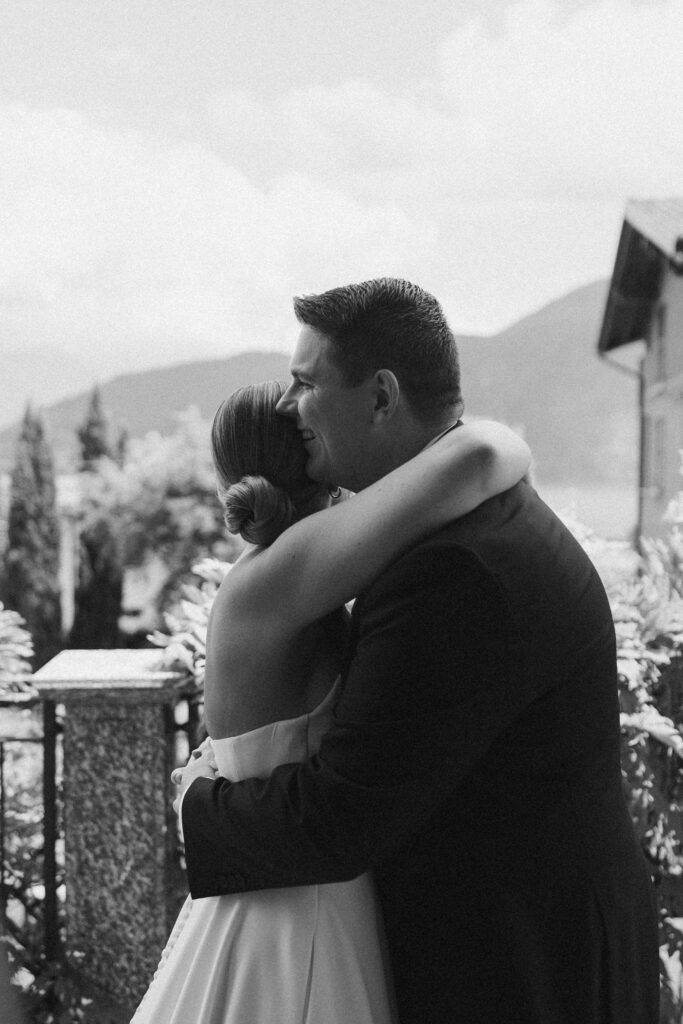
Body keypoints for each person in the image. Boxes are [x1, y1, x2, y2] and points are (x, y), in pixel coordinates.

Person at [179, 278, 660, 1024]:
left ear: (379, 396)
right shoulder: (456, 522)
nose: (287, 405)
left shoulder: (449, 571)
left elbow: (339, 818)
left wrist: (194, 805)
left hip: (523, 966)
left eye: (306, 384)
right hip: (530, 936)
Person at [131, 379, 531, 1024]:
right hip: (299, 903)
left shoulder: (273, 572)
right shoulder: (288, 569)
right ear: (313, 452)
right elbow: (482, 459)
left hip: (281, 879)